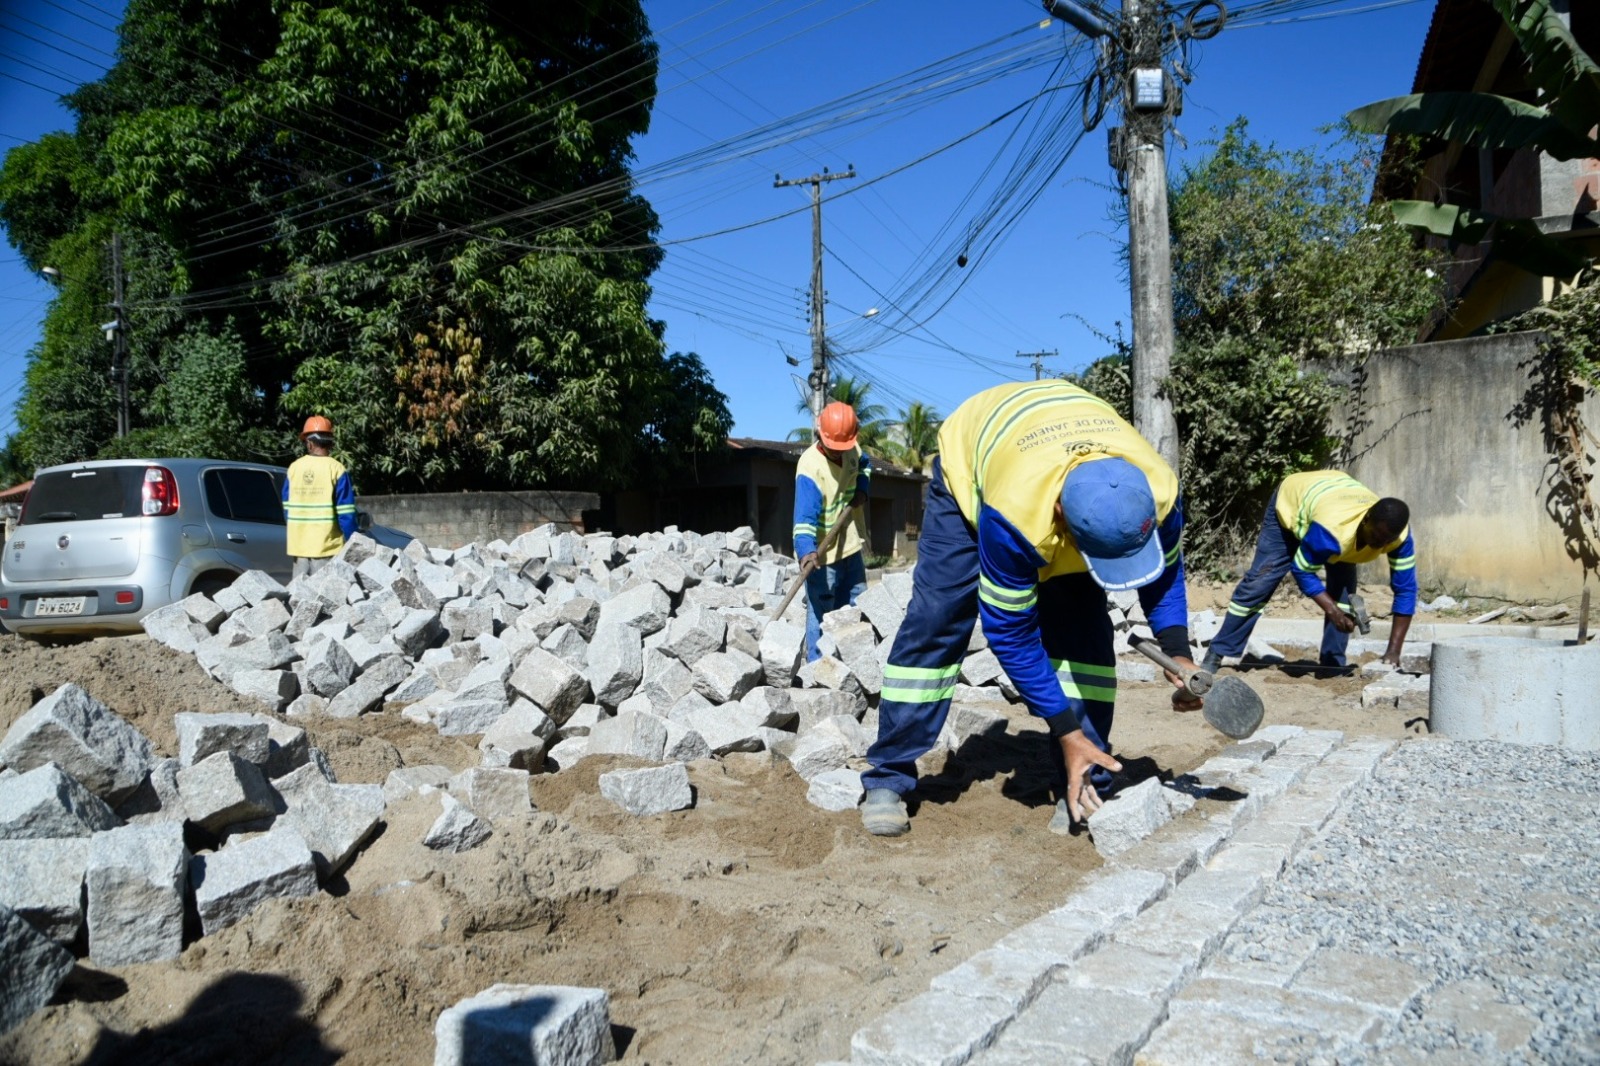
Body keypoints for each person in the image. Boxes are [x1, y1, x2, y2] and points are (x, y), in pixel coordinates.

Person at [859, 381, 1202, 838]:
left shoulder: (1157, 492)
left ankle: (1083, 780)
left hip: (1058, 450)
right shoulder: (1014, 516)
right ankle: (889, 775)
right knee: (939, 617)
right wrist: (1064, 728)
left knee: (1084, 631)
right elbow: (1011, 634)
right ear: (1060, 513)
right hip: (976, 457)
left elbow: (1164, 576)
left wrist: (1178, 652)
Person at [1202, 470, 1415, 675]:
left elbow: (1406, 590)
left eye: (1387, 540)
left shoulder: (1399, 538)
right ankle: (1219, 651)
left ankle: (1332, 664)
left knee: (1343, 599)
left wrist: (1394, 651)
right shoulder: (1331, 530)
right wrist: (1332, 611)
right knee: (1260, 583)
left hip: (1333, 504)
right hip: (1293, 502)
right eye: (1377, 537)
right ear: (1367, 519)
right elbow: (1302, 570)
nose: (1381, 545)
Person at [793, 401, 872, 661]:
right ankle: (817, 668)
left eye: (843, 448)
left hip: (849, 544)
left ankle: (856, 664)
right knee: (822, 614)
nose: (839, 454)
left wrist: (862, 488)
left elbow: (865, 465)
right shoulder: (810, 468)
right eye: (833, 448)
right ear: (820, 435)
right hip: (822, 556)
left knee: (856, 604)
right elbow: (804, 519)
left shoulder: (851, 447)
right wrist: (806, 551)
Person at [283, 415, 358, 578]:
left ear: (309, 443)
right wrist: (353, 541)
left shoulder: (294, 468)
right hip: (326, 548)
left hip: (300, 549)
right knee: (326, 598)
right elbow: (346, 513)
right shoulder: (337, 469)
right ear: (330, 442)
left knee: (299, 598)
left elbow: (287, 510)